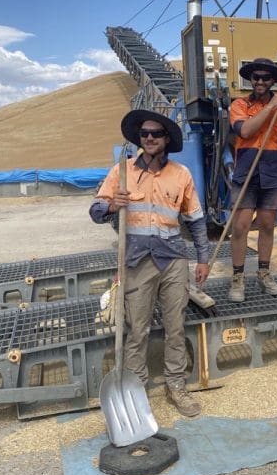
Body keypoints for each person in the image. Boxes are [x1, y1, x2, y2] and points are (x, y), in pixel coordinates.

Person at [89, 109, 210, 417]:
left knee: (175, 326)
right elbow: (95, 209)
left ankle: (176, 386)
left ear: (166, 139)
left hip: (173, 259)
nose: (150, 138)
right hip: (137, 260)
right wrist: (113, 204)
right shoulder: (123, 171)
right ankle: (136, 390)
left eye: (157, 133)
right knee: (137, 329)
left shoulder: (181, 174)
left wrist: (203, 257)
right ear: (139, 138)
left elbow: (195, 219)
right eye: (145, 134)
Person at [227, 57, 277, 302]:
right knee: (240, 226)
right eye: (256, 77)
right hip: (246, 171)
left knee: (268, 225)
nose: (260, 81)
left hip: (271, 172)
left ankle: (264, 273)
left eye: (265, 78)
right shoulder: (239, 104)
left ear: (272, 81)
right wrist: (270, 108)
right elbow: (245, 131)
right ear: (250, 79)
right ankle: (238, 278)